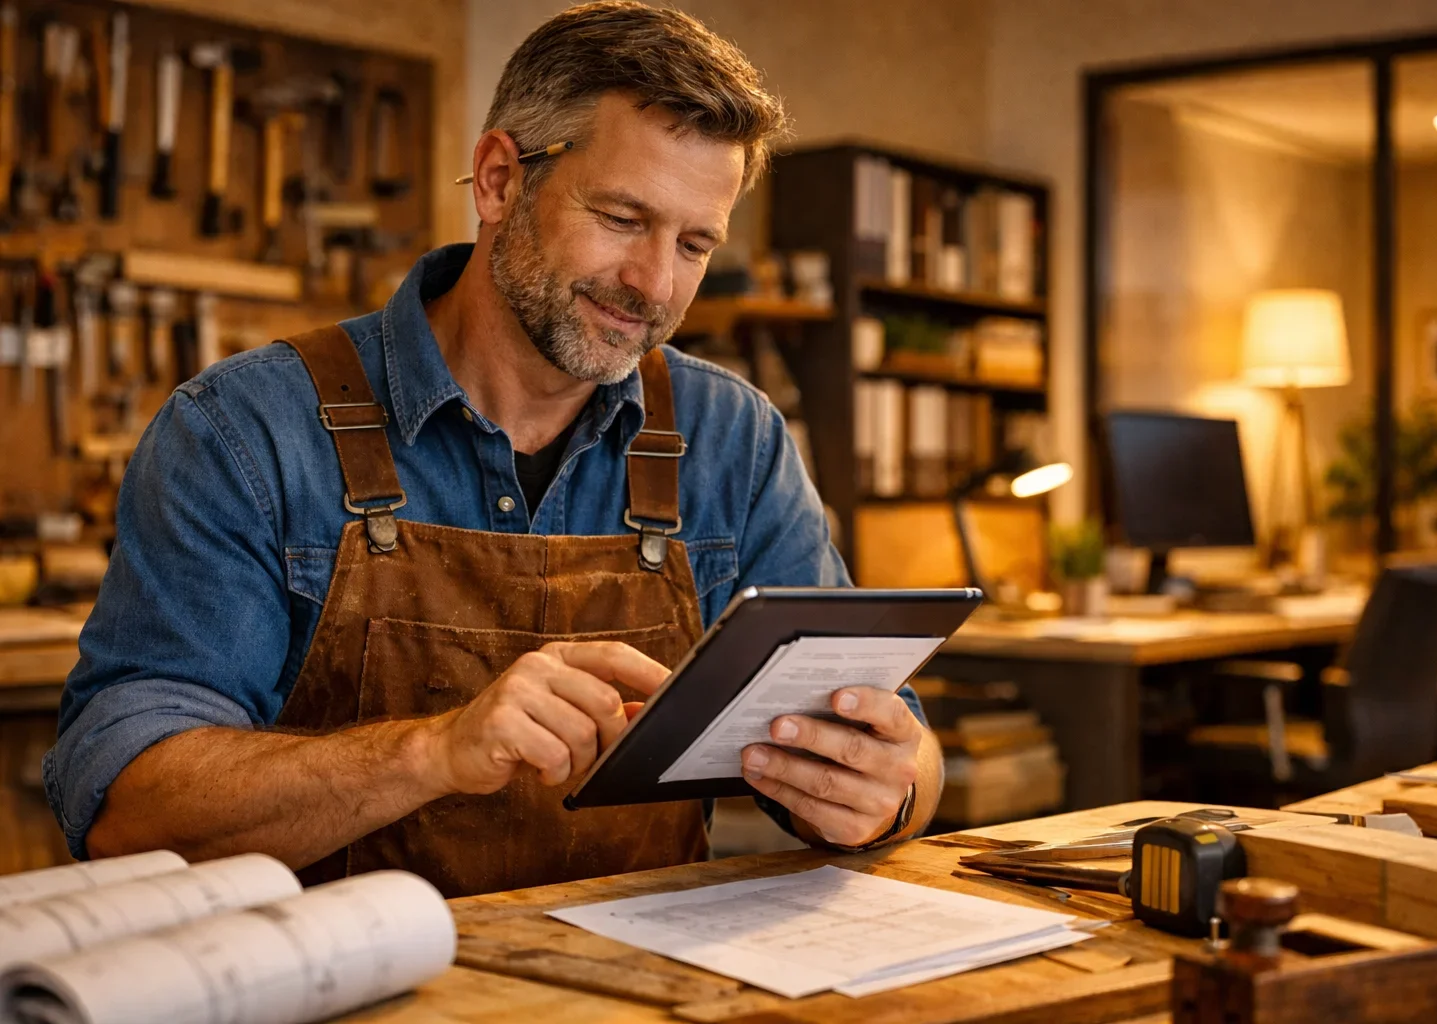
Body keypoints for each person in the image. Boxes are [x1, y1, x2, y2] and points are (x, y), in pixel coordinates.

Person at [45, 0, 941, 899]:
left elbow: (900, 752)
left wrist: (885, 791)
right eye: (624, 219)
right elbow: (128, 808)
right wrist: (434, 751)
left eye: (696, 242)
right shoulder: (243, 432)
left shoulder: (734, 441)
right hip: (344, 988)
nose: (655, 285)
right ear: (499, 180)